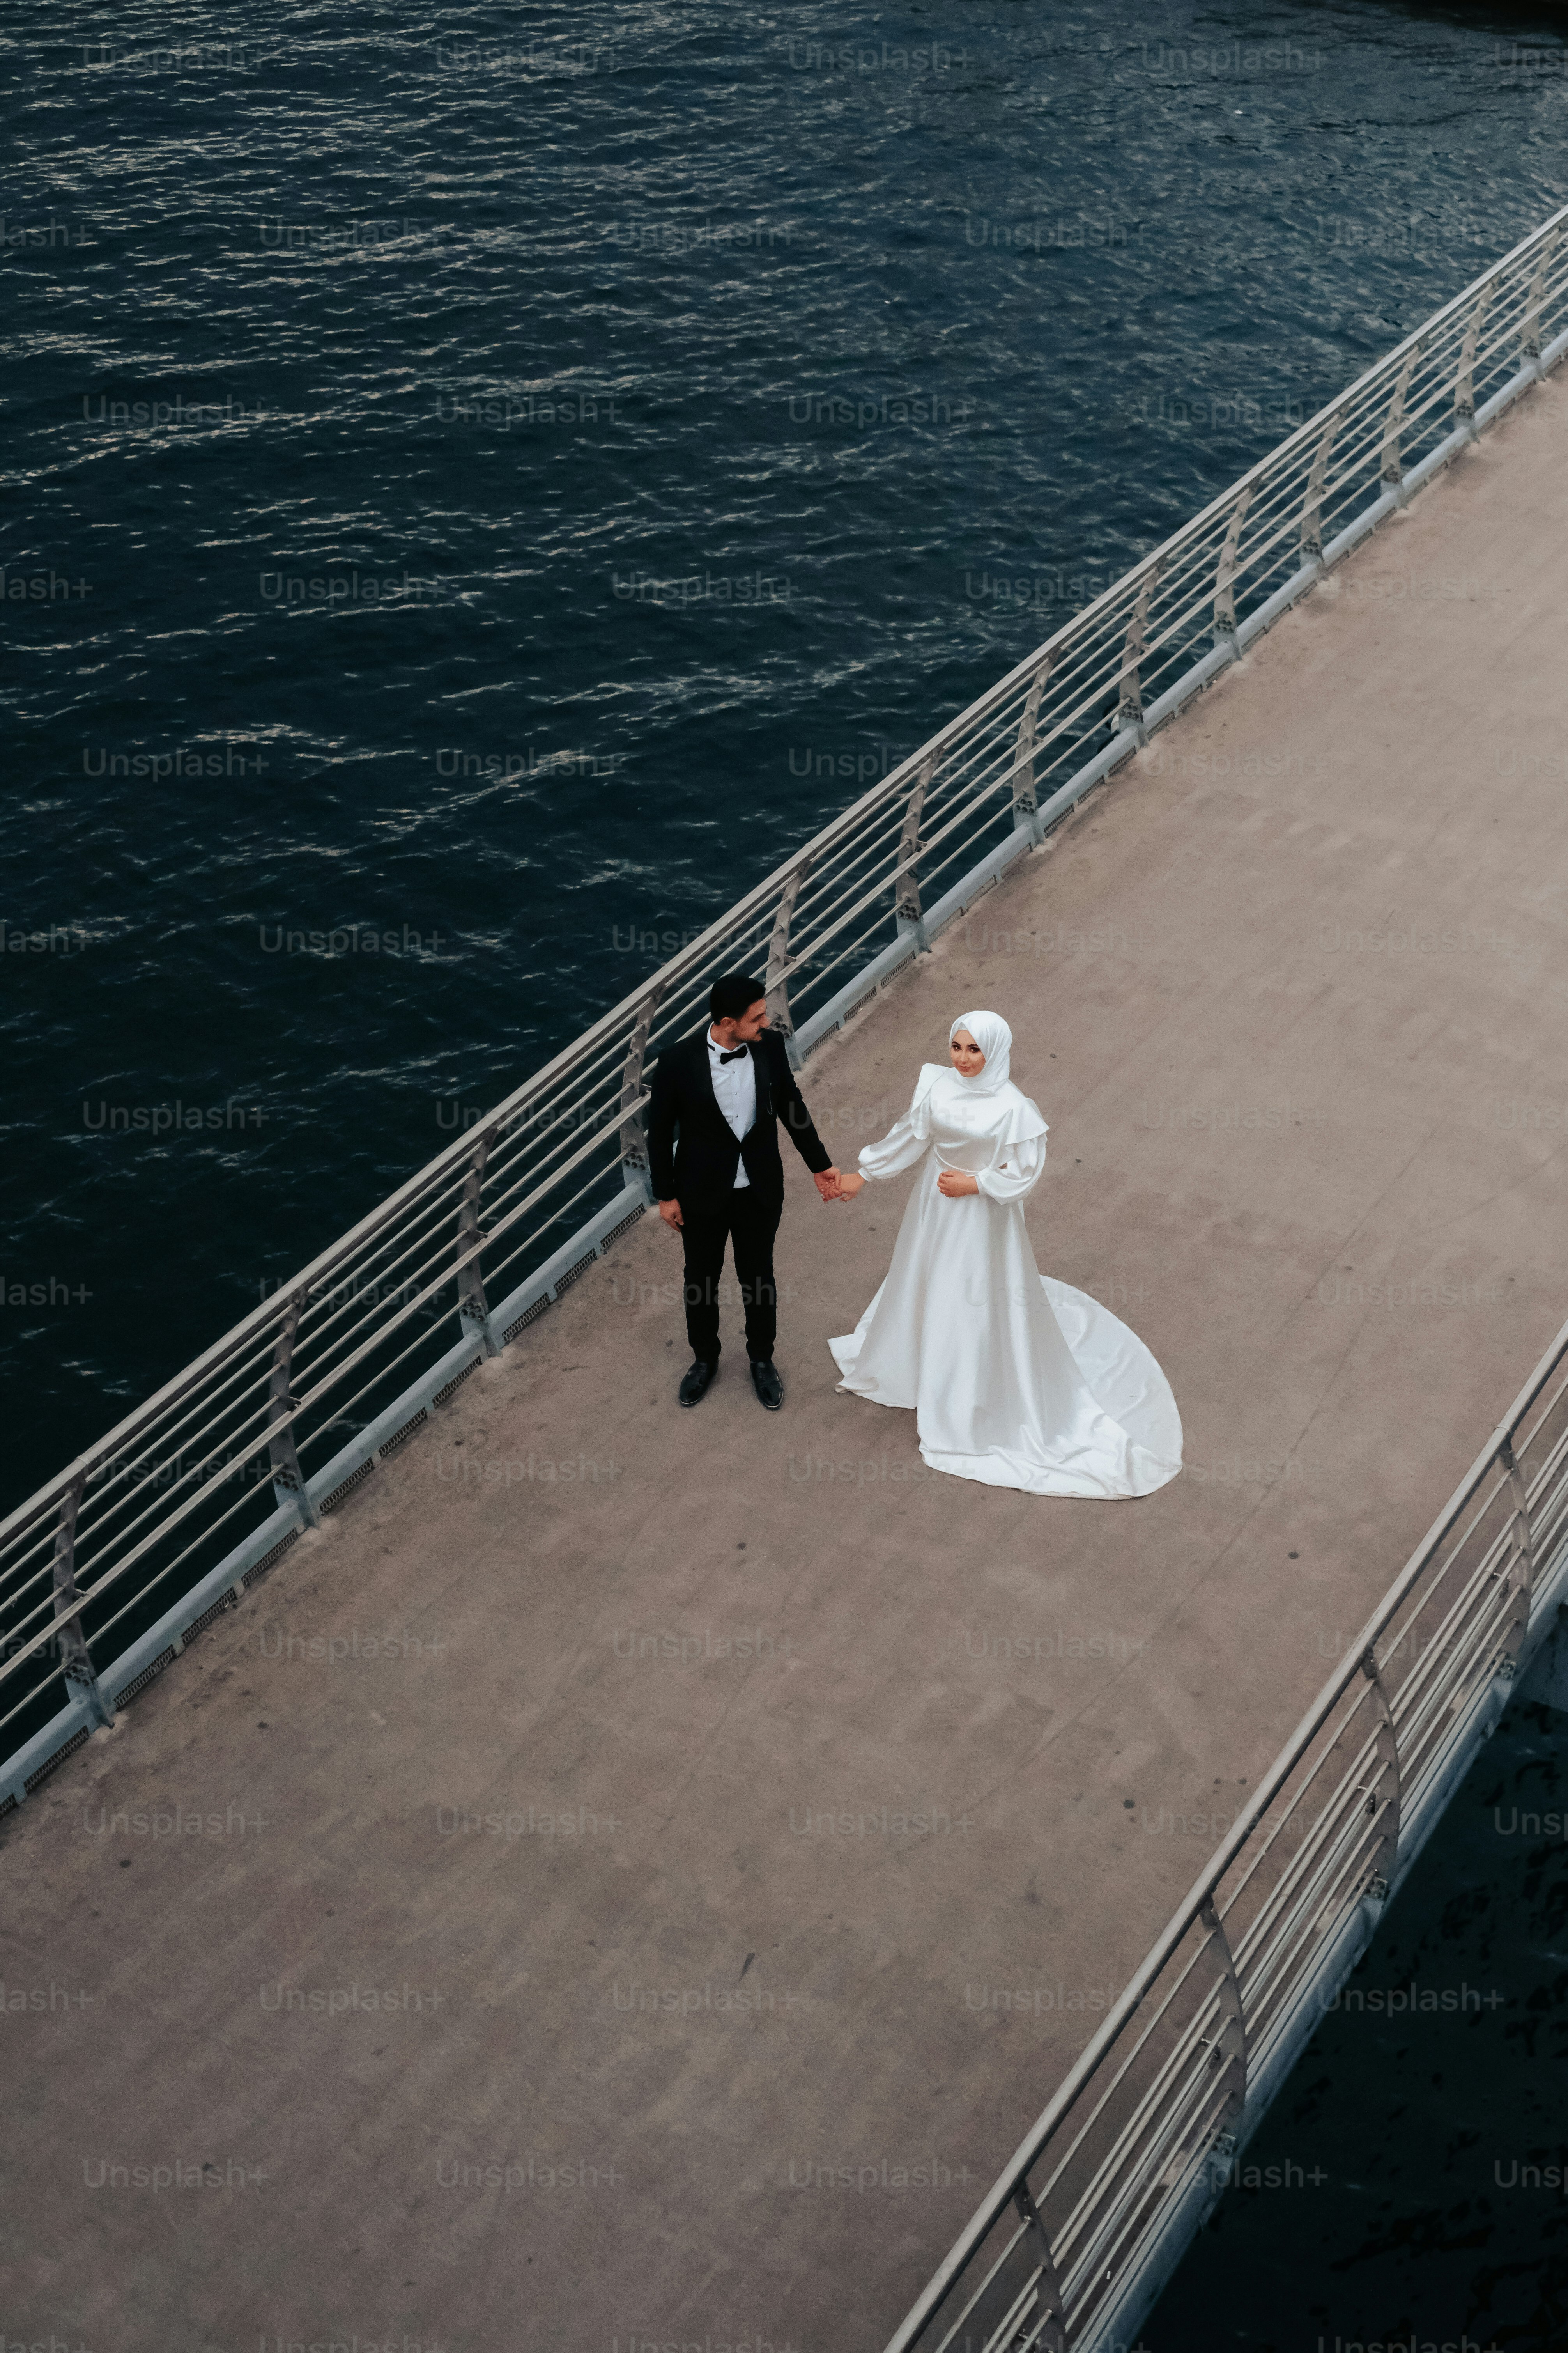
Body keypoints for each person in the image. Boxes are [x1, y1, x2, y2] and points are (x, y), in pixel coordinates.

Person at [832, 1010, 1182, 1497]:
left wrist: (975, 1182)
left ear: (994, 1050)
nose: (963, 1059)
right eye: (957, 1047)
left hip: (980, 1216)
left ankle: (963, 1390)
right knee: (926, 1277)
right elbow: (911, 1137)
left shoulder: (1013, 1108)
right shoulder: (937, 1086)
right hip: (934, 1204)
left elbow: (1023, 1173)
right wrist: (862, 1175)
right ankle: (920, 1363)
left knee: (967, 1292)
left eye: (974, 1050)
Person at [648, 972, 843, 1410]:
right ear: (726, 1022)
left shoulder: (769, 1047)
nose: (766, 1022)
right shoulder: (677, 1062)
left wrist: (820, 1166)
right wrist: (665, 1196)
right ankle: (704, 1360)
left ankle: (761, 1360)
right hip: (700, 1194)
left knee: (759, 1279)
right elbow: (658, 1134)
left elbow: (792, 1107)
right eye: (756, 1018)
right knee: (700, 1281)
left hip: (758, 1188)